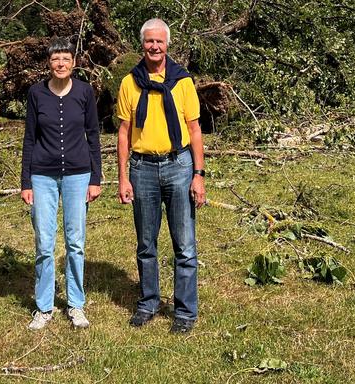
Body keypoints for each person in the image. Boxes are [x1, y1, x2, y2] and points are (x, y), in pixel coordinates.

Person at [115, 18, 206, 334]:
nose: (154, 46)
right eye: (149, 41)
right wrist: (123, 177)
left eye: (160, 42)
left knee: (185, 244)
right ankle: (149, 302)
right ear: (142, 44)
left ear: (168, 44)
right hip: (142, 169)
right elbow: (124, 132)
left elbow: (195, 130)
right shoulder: (131, 83)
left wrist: (198, 174)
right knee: (146, 243)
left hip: (179, 166)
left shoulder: (182, 82)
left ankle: (184, 310)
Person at [20, 37, 102, 330]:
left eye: (66, 59)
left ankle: (76, 304)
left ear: (74, 63)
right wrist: (25, 181)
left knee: (75, 242)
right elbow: (29, 138)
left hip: (78, 176)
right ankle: (43, 307)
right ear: (49, 62)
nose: (60, 64)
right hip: (42, 175)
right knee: (44, 242)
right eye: (55, 59)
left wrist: (96, 178)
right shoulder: (36, 93)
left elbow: (93, 136)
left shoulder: (83, 92)